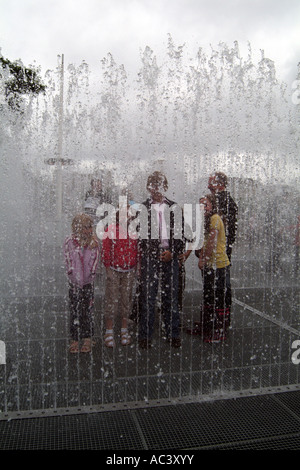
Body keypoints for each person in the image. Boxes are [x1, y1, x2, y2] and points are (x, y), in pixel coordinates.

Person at [138, 171, 185, 349]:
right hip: (151, 257)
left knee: (170, 297)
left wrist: (172, 252)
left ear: (164, 187)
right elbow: (140, 238)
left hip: (169, 256)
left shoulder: (174, 207)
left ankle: (173, 334)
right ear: (148, 187)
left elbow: (180, 235)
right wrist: (152, 253)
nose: (156, 189)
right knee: (148, 297)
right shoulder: (142, 208)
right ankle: (145, 336)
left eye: (159, 185)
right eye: (153, 185)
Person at [191, 194, 232, 343]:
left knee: (218, 298)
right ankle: (207, 326)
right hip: (212, 266)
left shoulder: (215, 218)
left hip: (218, 265)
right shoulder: (208, 220)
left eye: (205, 205)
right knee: (209, 296)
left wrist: (203, 259)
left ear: (212, 205)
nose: (203, 208)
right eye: (201, 205)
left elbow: (212, 242)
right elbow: (206, 241)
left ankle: (219, 331)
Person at [101, 205, 139, 347]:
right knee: (111, 298)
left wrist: (137, 266)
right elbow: (106, 248)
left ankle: (124, 328)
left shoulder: (134, 230)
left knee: (126, 299)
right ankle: (109, 330)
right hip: (114, 269)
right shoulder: (111, 229)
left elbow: (137, 249)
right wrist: (107, 267)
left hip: (129, 269)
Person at [64, 214, 100, 353]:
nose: (88, 230)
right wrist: (71, 272)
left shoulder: (93, 242)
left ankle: (88, 338)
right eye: (85, 227)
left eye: (90, 227)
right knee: (74, 310)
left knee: (87, 310)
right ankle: (74, 338)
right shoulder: (69, 241)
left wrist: (92, 272)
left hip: (88, 282)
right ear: (77, 228)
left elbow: (96, 259)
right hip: (74, 282)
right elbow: (67, 257)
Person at [208, 172, 238, 263]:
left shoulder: (218, 201)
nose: (208, 187)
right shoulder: (229, 200)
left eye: (211, 184)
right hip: (223, 249)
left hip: (217, 251)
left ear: (221, 185)